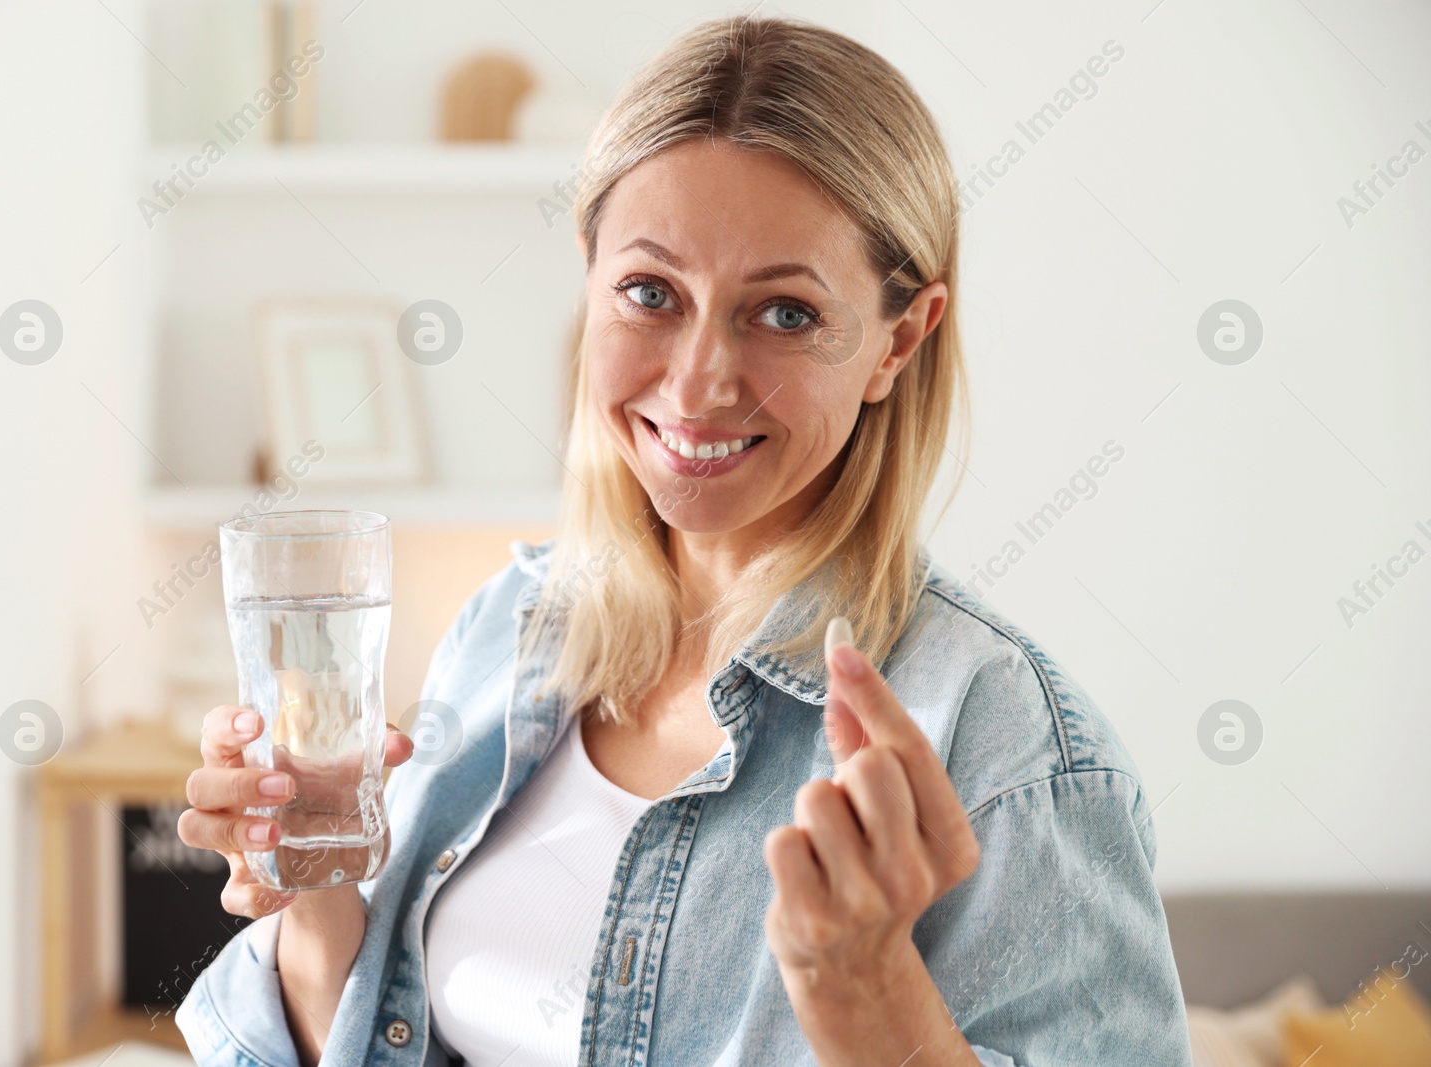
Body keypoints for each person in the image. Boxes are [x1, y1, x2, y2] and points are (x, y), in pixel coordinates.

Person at [175, 14, 1191, 1067]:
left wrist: (872, 1000)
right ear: (589, 271)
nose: (699, 380)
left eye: (785, 313)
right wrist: (320, 891)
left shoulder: (998, 742)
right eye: (650, 293)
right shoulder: (509, 630)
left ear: (900, 337)